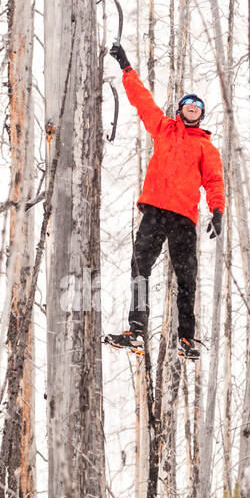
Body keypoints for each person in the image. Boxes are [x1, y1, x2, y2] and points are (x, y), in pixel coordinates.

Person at [102, 40, 224, 361]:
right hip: (155, 210)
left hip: (184, 217)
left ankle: (186, 338)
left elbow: (213, 181)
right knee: (140, 266)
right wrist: (126, 67)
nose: (193, 108)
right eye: (188, 105)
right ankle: (137, 331)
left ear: (201, 116)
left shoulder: (206, 148)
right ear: (180, 110)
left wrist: (217, 210)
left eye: (198, 107)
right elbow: (142, 100)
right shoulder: (164, 129)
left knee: (187, 277)